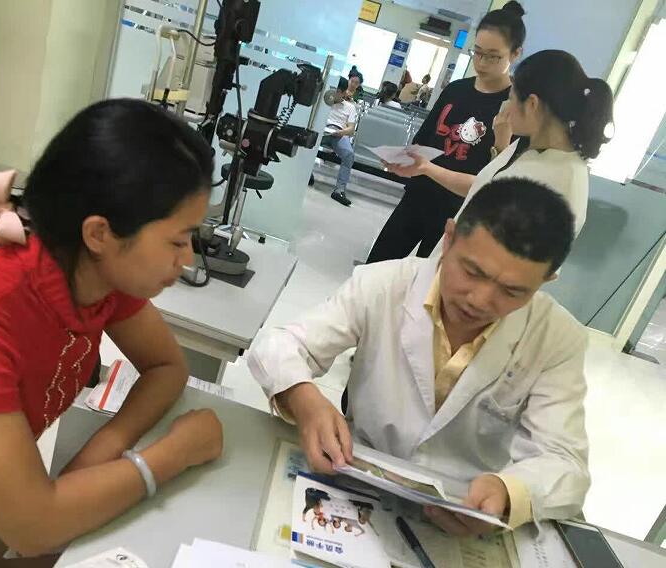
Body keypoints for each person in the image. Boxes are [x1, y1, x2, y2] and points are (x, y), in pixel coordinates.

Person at [0, 99, 224, 567]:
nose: (189, 258)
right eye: (177, 240)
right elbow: (33, 528)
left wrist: (94, 459)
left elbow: (165, 367)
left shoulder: (93, 273)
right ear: (100, 234)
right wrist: (171, 455)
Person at [249, 179, 590, 536]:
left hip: (464, 504)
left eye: (512, 291)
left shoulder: (556, 338)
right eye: (472, 272)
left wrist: (508, 493)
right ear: (449, 237)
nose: (479, 300)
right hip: (360, 474)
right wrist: (304, 400)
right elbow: (279, 345)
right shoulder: (384, 284)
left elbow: (566, 462)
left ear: (546, 280)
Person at [367, 1, 526, 263]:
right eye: (477, 52)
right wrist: (401, 160)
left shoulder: (515, 108)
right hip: (418, 197)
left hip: (460, 215)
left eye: (493, 56)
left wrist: (503, 138)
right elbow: (423, 141)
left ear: (516, 53)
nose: (481, 63)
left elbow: (500, 179)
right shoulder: (455, 90)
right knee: (377, 267)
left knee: (428, 285)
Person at [422, 49, 614, 261]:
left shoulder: (560, 178)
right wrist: (426, 168)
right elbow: (483, 188)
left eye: (511, 98)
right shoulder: (526, 147)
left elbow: (505, 262)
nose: (505, 107)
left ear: (531, 104)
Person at [322, 77, 357, 207]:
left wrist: (341, 132)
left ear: (342, 92)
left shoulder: (350, 107)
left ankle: (339, 190)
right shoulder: (325, 101)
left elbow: (351, 129)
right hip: (323, 130)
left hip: (338, 134)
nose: (332, 93)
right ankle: (306, 175)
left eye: (336, 91)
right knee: (309, 141)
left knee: (349, 154)